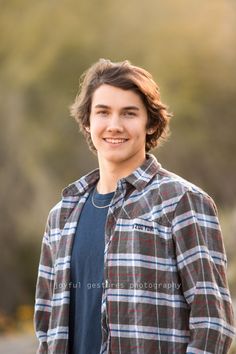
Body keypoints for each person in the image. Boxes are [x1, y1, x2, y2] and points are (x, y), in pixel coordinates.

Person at [34, 59, 235, 354]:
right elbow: (46, 322)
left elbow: (213, 323)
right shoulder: (62, 214)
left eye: (129, 113)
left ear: (150, 122)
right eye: (103, 112)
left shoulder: (181, 201)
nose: (114, 125)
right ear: (88, 122)